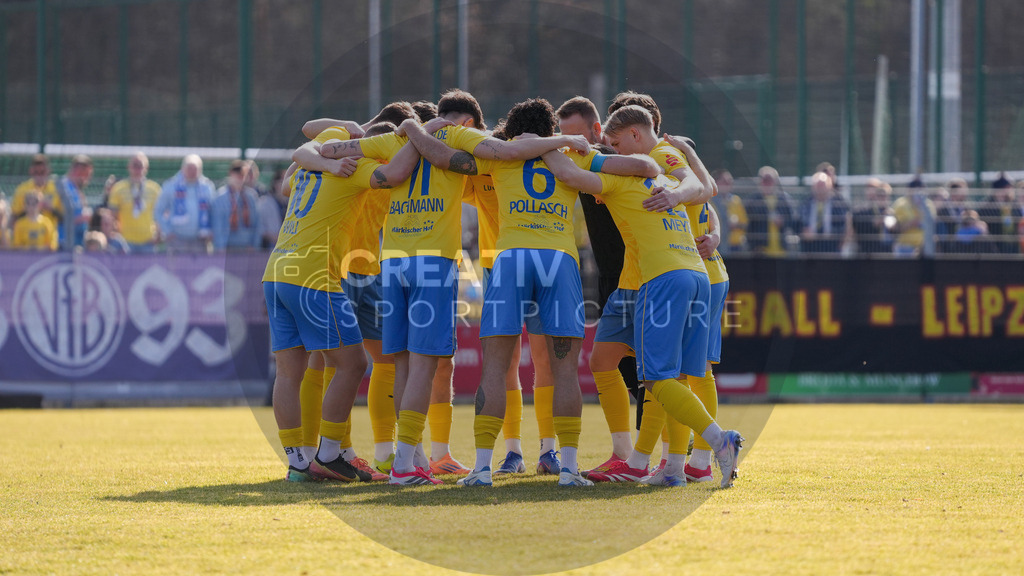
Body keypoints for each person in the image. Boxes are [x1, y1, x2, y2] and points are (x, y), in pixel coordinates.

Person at [319, 90, 592, 486]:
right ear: (463, 124)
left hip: (394, 260)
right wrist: (563, 141)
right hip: (446, 260)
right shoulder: (475, 143)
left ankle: (434, 461)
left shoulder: (394, 139)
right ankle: (560, 465)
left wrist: (405, 129)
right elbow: (500, 152)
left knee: (406, 363)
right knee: (546, 367)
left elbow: (329, 148)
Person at [540, 141, 744, 488]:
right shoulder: (665, 183)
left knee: (662, 378)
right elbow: (705, 192)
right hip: (693, 273)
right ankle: (665, 465)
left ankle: (707, 447)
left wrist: (543, 141)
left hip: (659, 280)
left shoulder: (627, 178)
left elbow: (567, 172)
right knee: (670, 374)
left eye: (614, 146)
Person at [263, 124, 421, 483]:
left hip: (276, 271)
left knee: (289, 372)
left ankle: (297, 463)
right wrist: (417, 136)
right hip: (313, 275)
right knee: (353, 363)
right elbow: (395, 172)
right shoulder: (355, 167)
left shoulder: (308, 166)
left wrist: (345, 136)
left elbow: (302, 145)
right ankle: (330, 453)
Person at [156, 155, 216, 253]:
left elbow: (213, 212)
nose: (192, 172)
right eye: (189, 168)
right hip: (176, 241)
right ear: (182, 168)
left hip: (200, 241)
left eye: (195, 169)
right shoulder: (170, 186)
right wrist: (167, 231)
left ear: (200, 170)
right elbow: (158, 211)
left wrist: (210, 231)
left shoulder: (207, 187)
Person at [107, 152, 161, 252]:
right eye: (134, 166)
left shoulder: (154, 189)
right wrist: (114, 233)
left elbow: (161, 215)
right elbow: (112, 215)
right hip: (125, 241)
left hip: (148, 241)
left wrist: (159, 235)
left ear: (146, 168)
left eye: (140, 166)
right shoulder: (118, 188)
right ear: (129, 167)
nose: (137, 169)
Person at [746, 166, 797, 256]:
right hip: (760, 251)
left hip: (781, 250)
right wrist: (754, 245)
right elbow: (748, 225)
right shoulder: (752, 201)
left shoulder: (785, 200)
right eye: (764, 180)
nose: (767, 183)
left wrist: (783, 222)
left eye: (770, 180)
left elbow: (792, 220)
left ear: (775, 181)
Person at [212, 160, 262, 251]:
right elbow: (217, 226)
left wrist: (254, 245)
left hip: (247, 248)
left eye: (243, 174)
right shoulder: (220, 197)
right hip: (227, 248)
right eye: (237, 173)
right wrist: (220, 248)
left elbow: (257, 224)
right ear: (231, 174)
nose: (240, 177)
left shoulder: (251, 197)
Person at [11, 155, 62, 241]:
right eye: (36, 172)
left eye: (42, 172)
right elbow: (15, 216)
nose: (39, 175)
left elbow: (63, 217)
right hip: (25, 239)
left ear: (48, 171)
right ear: (31, 171)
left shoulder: (56, 189)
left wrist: (50, 208)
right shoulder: (22, 189)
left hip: (49, 237)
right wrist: (32, 207)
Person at [799, 171, 851, 254]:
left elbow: (844, 226)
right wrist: (803, 232)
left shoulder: (839, 205)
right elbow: (797, 223)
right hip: (810, 248)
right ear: (813, 187)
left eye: (822, 185)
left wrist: (834, 236)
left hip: (831, 248)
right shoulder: (805, 203)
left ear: (829, 186)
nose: (820, 189)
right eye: (818, 185)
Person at [55, 154, 94, 250]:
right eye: (87, 175)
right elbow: (59, 216)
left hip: (76, 242)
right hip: (64, 242)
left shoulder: (76, 190)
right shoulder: (63, 186)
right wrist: (82, 218)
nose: (87, 179)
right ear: (78, 171)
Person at [891, 178, 937, 257]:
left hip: (924, 248)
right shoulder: (900, 204)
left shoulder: (929, 204)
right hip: (905, 247)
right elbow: (897, 228)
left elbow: (931, 224)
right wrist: (914, 221)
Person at [978, 174, 1021, 255]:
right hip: (993, 250)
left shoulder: (1014, 205)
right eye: (1007, 187)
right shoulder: (985, 207)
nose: (1010, 190)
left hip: (1012, 249)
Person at [851, 178, 895, 255]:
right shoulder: (860, 211)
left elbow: (895, 232)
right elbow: (857, 227)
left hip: (886, 253)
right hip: (867, 252)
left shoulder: (890, 212)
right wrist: (874, 223)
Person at [711, 169, 748, 254]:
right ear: (716, 182)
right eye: (724, 181)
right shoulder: (709, 201)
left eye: (730, 181)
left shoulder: (736, 200)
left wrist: (736, 224)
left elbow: (745, 224)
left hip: (735, 246)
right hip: (716, 245)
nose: (728, 184)